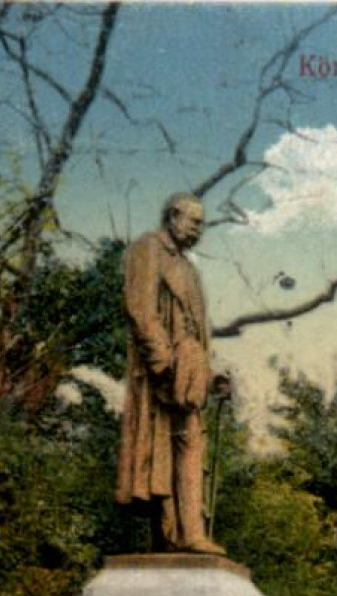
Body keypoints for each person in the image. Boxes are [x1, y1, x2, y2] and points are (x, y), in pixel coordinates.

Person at [116, 192, 227, 555]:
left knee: (191, 447)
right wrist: (164, 365)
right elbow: (141, 310)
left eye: (202, 224)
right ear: (173, 216)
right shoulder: (148, 249)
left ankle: (190, 533)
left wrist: (210, 377)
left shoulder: (189, 269)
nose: (198, 230)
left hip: (189, 377)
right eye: (194, 222)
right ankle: (176, 534)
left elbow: (196, 332)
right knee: (159, 457)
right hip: (159, 378)